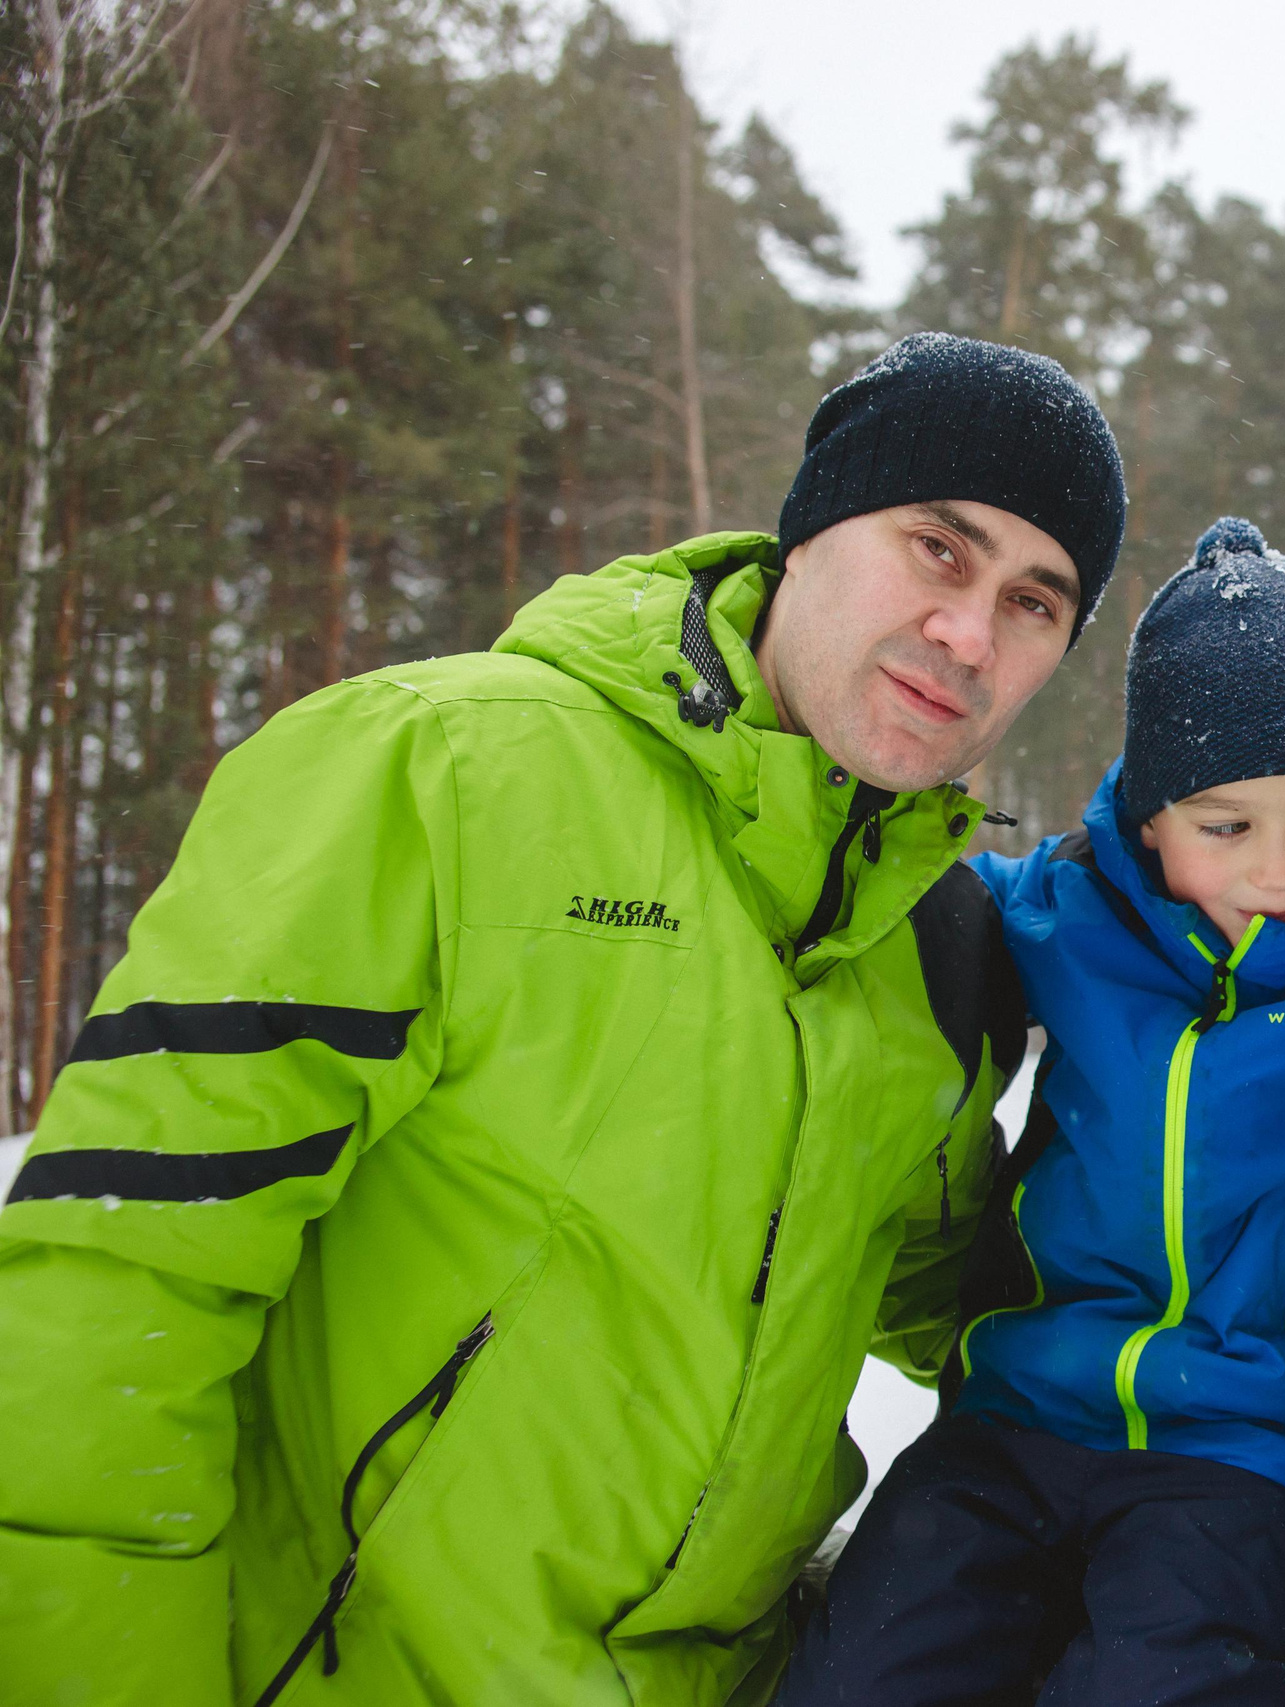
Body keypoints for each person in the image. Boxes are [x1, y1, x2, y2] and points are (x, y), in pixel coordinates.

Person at [0, 331, 1124, 1705]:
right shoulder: (437, 771)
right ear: (809, 532)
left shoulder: (937, 947)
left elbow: (996, 1322)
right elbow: (116, 1287)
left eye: (1034, 602)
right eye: (938, 548)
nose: (969, 635)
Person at [785, 518, 1285, 1707]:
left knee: (1168, 1678)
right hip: (1011, 1418)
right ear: (1147, 817)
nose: (1281, 869)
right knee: (869, 1670)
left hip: (1247, 1446)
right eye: (1226, 826)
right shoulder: (1067, 911)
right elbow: (893, 889)